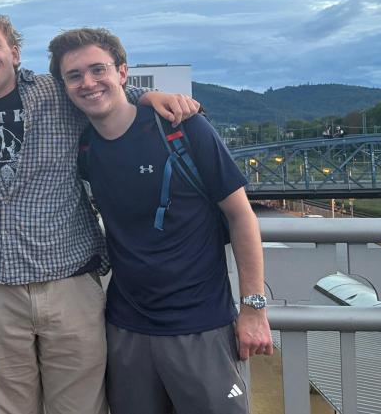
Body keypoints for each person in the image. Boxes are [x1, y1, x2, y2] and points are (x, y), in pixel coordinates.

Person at [0, 8, 198, 414]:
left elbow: (106, 96)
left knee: (79, 407)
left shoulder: (56, 93)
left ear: (15, 52)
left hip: (69, 283)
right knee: (6, 408)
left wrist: (151, 96)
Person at [49, 27, 273, 413]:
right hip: (125, 327)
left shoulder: (181, 127)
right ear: (65, 87)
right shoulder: (84, 147)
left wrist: (253, 308)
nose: (88, 82)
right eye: (74, 76)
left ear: (122, 72)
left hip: (201, 324)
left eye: (98, 70)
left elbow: (241, 217)